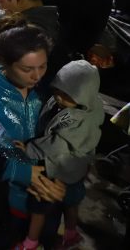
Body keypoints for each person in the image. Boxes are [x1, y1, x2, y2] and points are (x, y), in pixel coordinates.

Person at [0, 25, 67, 243]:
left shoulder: (44, 93)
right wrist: (22, 173)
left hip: (37, 201)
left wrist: (56, 177)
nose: (37, 75)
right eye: (27, 69)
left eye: (43, 66)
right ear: (5, 62)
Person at [16, 60, 103, 250]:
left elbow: (56, 144)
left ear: (82, 96)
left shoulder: (79, 120)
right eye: (57, 90)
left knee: (40, 205)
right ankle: (71, 233)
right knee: (71, 203)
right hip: (75, 169)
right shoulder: (86, 105)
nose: (59, 98)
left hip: (58, 169)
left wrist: (29, 149)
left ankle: (31, 242)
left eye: (66, 95)